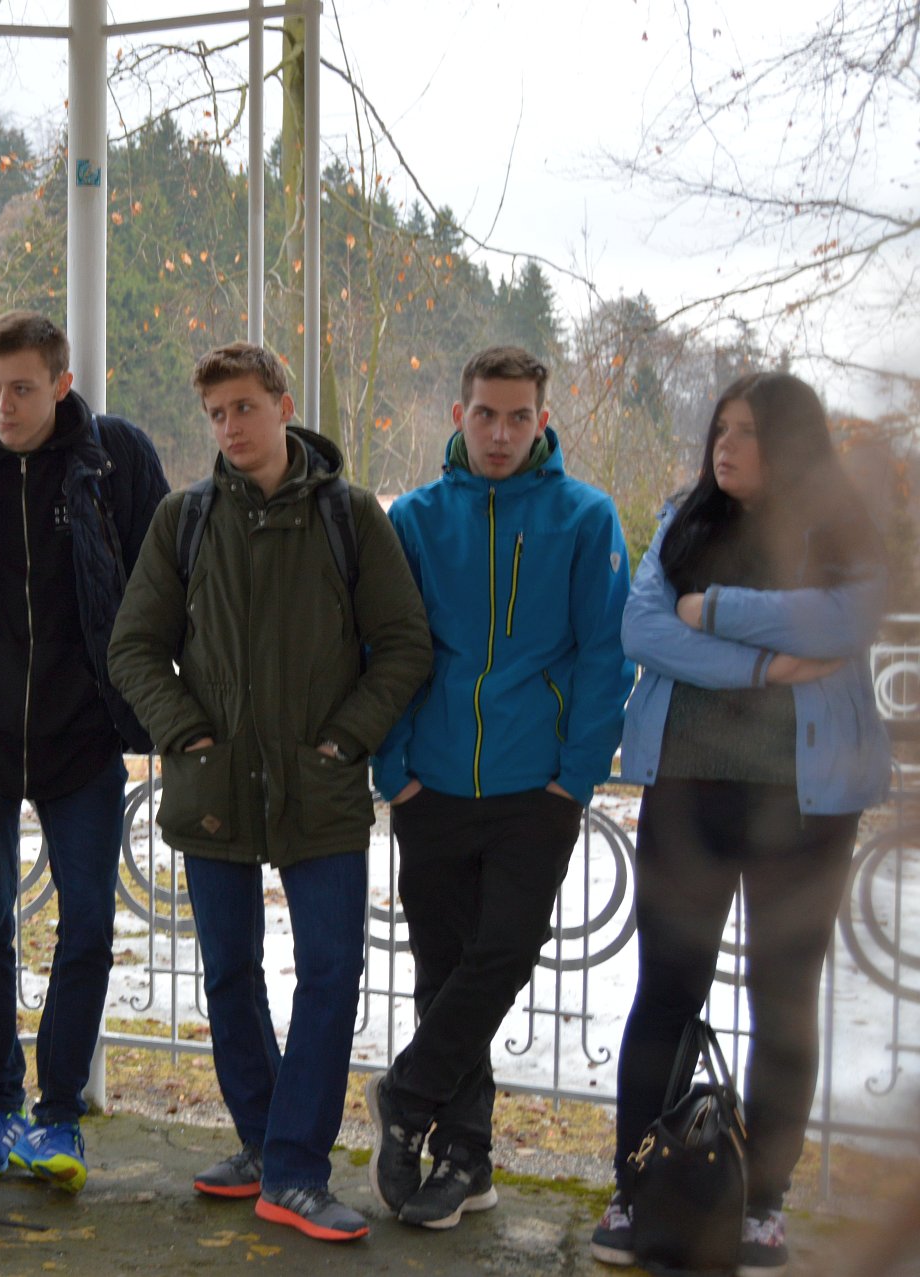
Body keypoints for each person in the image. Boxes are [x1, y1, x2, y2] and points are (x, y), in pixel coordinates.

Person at [108, 341, 431, 1241]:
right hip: (213, 785)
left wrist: (346, 737)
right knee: (229, 972)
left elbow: (404, 642)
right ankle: (263, 1144)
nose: (230, 427)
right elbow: (133, 646)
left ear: (284, 405)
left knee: (330, 972)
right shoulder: (184, 518)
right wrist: (184, 730)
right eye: (216, 414)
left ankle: (294, 1169)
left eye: (244, 407)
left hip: (320, 786)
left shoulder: (350, 516)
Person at [591, 371, 890, 1274]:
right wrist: (764, 665)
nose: (726, 445)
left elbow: (845, 620)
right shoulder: (684, 521)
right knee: (666, 992)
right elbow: (644, 631)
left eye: (748, 431)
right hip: (688, 795)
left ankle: (762, 1202)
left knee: (782, 999)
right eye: (721, 428)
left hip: (807, 804)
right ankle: (636, 1186)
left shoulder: (841, 532)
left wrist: (715, 610)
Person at [366, 346, 634, 1228]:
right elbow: (388, 647)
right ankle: (465, 1159)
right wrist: (395, 769)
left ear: (543, 421)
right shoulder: (415, 519)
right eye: (486, 414)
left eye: (520, 417)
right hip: (432, 785)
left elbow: (605, 656)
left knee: (504, 952)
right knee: (444, 971)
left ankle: (406, 1095)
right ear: (459, 414)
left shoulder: (585, 517)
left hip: (535, 789)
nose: (501, 433)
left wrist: (574, 777)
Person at [0, 310, 169, 1192]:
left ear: (62, 384)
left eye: (22, 388)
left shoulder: (114, 459)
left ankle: (58, 1112)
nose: (4, 404)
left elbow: (154, 573)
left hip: (83, 731)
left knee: (88, 924)